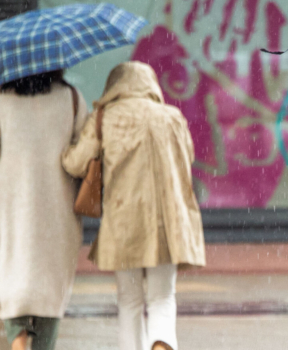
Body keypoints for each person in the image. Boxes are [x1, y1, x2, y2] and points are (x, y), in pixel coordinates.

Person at [62, 62, 205, 350]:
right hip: (168, 219)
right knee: (162, 297)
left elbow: (76, 164)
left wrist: (66, 149)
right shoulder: (172, 117)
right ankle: (162, 345)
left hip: (124, 219)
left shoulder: (104, 118)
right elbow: (186, 157)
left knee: (129, 301)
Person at [0, 70, 87, 350]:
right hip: (58, 204)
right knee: (50, 279)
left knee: (13, 271)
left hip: (13, 202)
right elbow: (84, 151)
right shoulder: (70, 98)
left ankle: (18, 339)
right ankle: (44, 343)